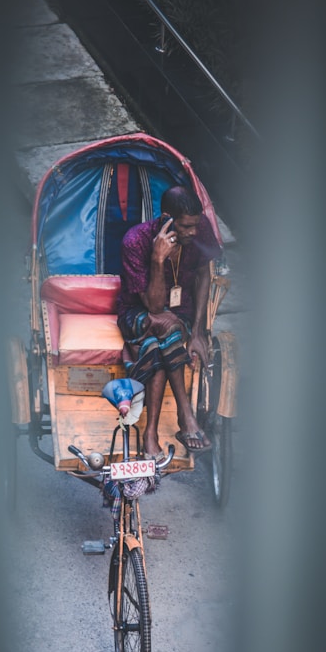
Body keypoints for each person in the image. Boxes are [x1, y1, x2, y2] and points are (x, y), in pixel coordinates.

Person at [117, 185, 222, 459]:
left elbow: (203, 277)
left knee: (157, 340)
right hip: (136, 314)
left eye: (196, 225)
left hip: (180, 314)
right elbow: (153, 306)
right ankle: (185, 416)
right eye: (186, 226)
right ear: (167, 217)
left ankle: (149, 433)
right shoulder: (135, 241)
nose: (193, 232)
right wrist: (157, 258)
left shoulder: (199, 230)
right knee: (164, 326)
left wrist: (198, 332)